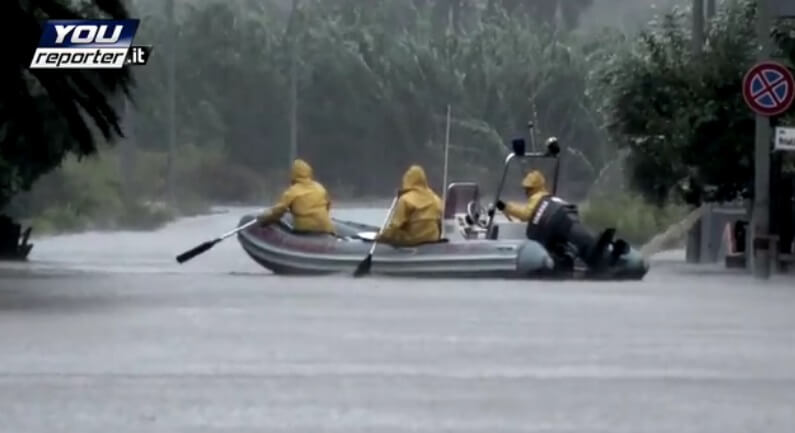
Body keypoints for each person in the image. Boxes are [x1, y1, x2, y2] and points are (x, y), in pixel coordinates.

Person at [489, 170, 619, 268]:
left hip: (553, 222)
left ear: (535, 188)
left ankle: (590, 254)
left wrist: (505, 207)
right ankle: (601, 252)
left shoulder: (536, 198)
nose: (526, 192)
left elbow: (525, 214)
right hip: (566, 213)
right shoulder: (550, 197)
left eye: (528, 189)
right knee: (577, 238)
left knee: (571, 241)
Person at [257, 159, 335, 234]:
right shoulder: (319, 187)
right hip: (325, 227)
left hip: (305, 229)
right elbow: (328, 204)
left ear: (293, 174)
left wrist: (265, 220)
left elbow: (279, 210)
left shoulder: (292, 191)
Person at [377, 165, 443, 246]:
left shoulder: (405, 199)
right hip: (432, 238)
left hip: (412, 239)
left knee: (394, 233)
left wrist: (382, 236)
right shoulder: (435, 198)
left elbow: (395, 225)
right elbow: (439, 222)